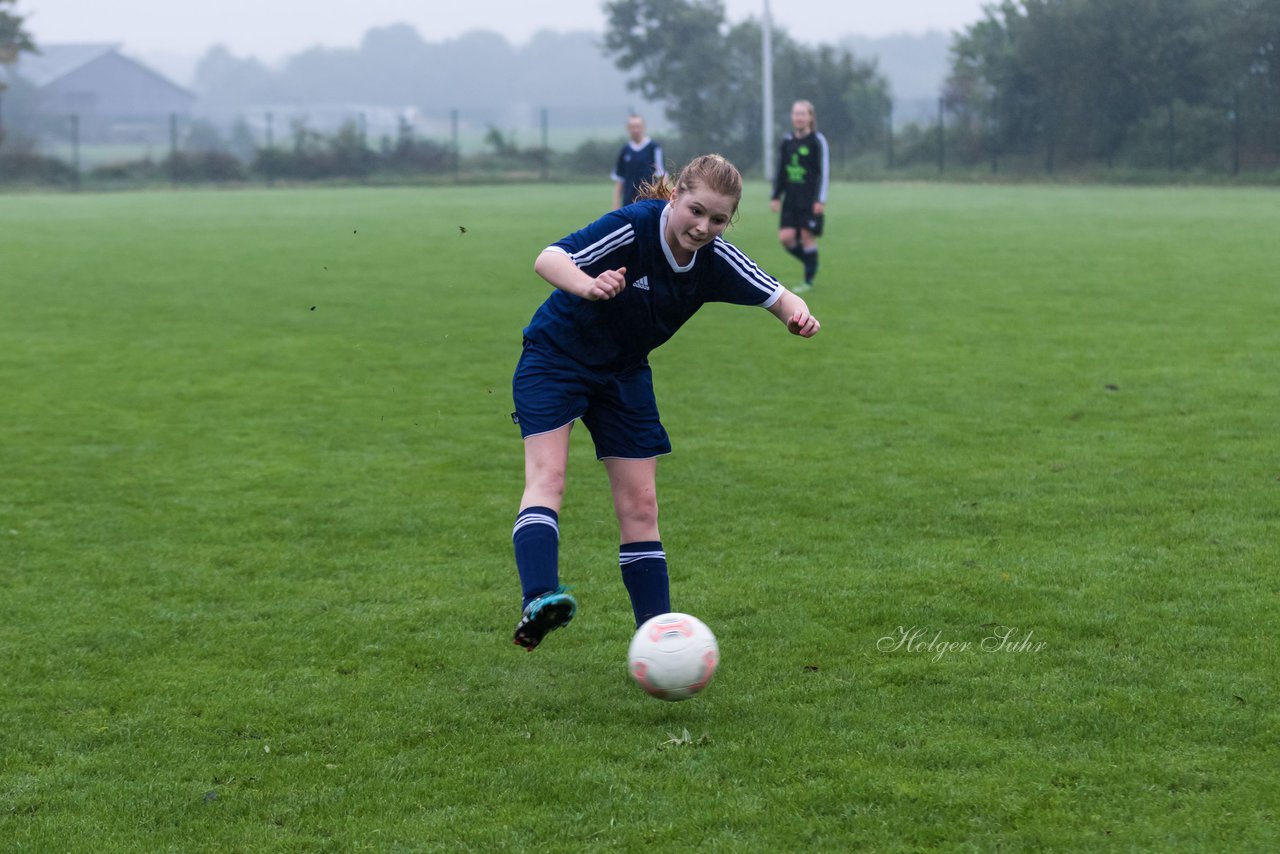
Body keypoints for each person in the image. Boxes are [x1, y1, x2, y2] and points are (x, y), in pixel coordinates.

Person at [510, 154, 821, 651]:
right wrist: (588, 285)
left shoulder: (714, 260)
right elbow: (548, 258)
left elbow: (780, 294)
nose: (702, 227)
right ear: (675, 196)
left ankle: (657, 639)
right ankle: (540, 599)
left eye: (717, 219)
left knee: (641, 504)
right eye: (695, 210)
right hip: (556, 358)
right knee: (548, 478)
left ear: (728, 220)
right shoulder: (633, 228)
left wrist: (796, 317)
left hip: (624, 372)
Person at [770, 100, 830, 294]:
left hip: (810, 199)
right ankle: (811, 262)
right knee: (785, 238)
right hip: (791, 199)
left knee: (806, 236)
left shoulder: (817, 140)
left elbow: (824, 172)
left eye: (803, 114)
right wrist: (776, 195)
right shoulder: (787, 141)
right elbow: (781, 171)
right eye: (796, 113)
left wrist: (820, 199)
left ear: (810, 117)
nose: (798, 117)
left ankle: (808, 280)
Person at [611, 114, 666, 210]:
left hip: (649, 204)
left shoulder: (654, 148)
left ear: (643, 127)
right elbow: (620, 180)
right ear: (628, 129)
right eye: (632, 127)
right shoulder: (625, 150)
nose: (635, 130)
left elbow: (663, 176)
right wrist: (616, 205)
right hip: (628, 204)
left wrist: (663, 202)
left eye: (638, 126)